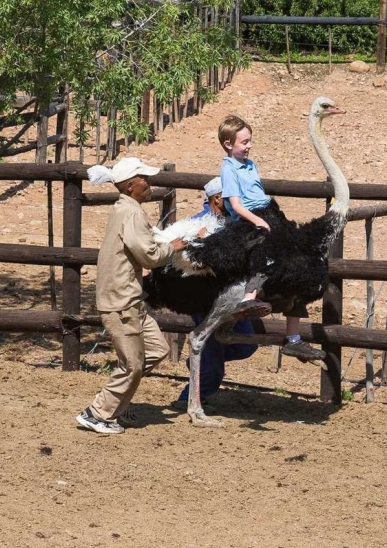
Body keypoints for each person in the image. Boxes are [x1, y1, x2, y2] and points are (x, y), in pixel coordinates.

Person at [76, 157, 187, 434]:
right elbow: (149, 256)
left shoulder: (125, 208)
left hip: (129, 299)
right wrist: (173, 247)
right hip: (121, 301)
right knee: (133, 364)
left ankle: (116, 406)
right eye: (143, 179)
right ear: (129, 186)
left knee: (157, 350)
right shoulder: (132, 213)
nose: (148, 183)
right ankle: (97, 412)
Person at [217, 114, 325, 362]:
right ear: (228, 144)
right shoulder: (228, 168)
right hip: (248, 218)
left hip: (267, 211)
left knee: (301, 262)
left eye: (249, 141)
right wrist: (257, 221)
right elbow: (234, 203)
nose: (249, 146)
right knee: (267, 249)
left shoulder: (250, 165)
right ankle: (248, 299)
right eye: (244, 142)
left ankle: (294, 340)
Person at [172, 177, 258, 410]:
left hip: (230, 297)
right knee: (212, 352)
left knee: (246, 345)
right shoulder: (197, 225)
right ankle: (189, 398)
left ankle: (201, 362)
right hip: (205, 297)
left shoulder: (233, 223)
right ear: (218, 198)